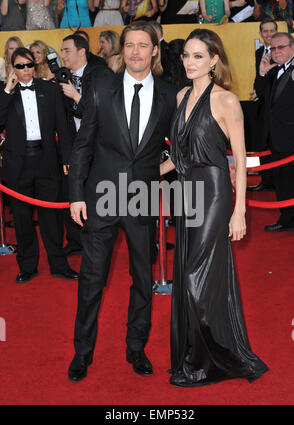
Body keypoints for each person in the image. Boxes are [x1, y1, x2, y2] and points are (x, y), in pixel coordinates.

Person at [67, 20, 177, 382]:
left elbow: (179, 148)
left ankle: (136, 348)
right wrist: (77, 195)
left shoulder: (167, 95)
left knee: (143, 279)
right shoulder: (102, 86)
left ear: (154, 51)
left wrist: (156, 173)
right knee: (91, 278)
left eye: (142, 45)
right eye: (129, 45)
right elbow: (83, 144)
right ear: (122, 50)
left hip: (142, 199)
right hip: (100, 197)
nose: (135, 52)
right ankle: (81, 352)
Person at [160, 29, 269, 387]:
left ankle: (206, 362)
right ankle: (196, 353)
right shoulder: (180, 97)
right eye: (186, 56)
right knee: (190, 276)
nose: (189, 62)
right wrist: (139, 172)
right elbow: (178, 156)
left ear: (213, 60)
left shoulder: (226, 101)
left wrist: (240, 212)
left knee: (195, 277)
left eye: (197, 56)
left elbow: (239, 157)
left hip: (214, 192)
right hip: (185, 192)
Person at [0, 47, 79, 283]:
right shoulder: (5, 93)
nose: (25, 70)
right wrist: (7, 90)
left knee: (52, 219)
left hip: (46, 161)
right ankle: (27, 266)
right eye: (20, 66)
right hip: (17, 164)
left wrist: (67, 158)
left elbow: (62, 128)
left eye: (29, 65)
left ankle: (58, 264)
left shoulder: (49, 89)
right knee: (22, 221)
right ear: (12, 68)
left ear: (35, 65)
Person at [59, 34, 107, 258]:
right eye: (62, 50)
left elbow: (103, 114)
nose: (62, 55)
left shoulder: (100, 74)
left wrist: (76, 96)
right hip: (73, 146)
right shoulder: (60, 77)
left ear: (82, 52)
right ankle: (75, 241)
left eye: (67, 50)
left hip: (98, 147)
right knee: (73, 191)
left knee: (96, 194)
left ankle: (96, 238)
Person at [255, 32, 294, 235]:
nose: (276, 52)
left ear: (293, 48)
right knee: (283, 182)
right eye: (273, 48)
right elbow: (262, 96)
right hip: (276, 136)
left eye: (281, 47)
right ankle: (288, 219)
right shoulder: (273, 71)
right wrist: (262, 73)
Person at [248, 17, 277, 192]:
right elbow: (259, 76)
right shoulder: (259, 51)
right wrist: (255, 90)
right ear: (260, 33)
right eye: (265, 31)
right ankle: (266, 180)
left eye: (271, 30)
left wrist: (261, 93)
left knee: (276, 144)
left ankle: (277, 181)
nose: (268, 34)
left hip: (275, 106)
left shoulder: (282, 52)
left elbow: (278, 81)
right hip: (261, 106)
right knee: (262, 143)